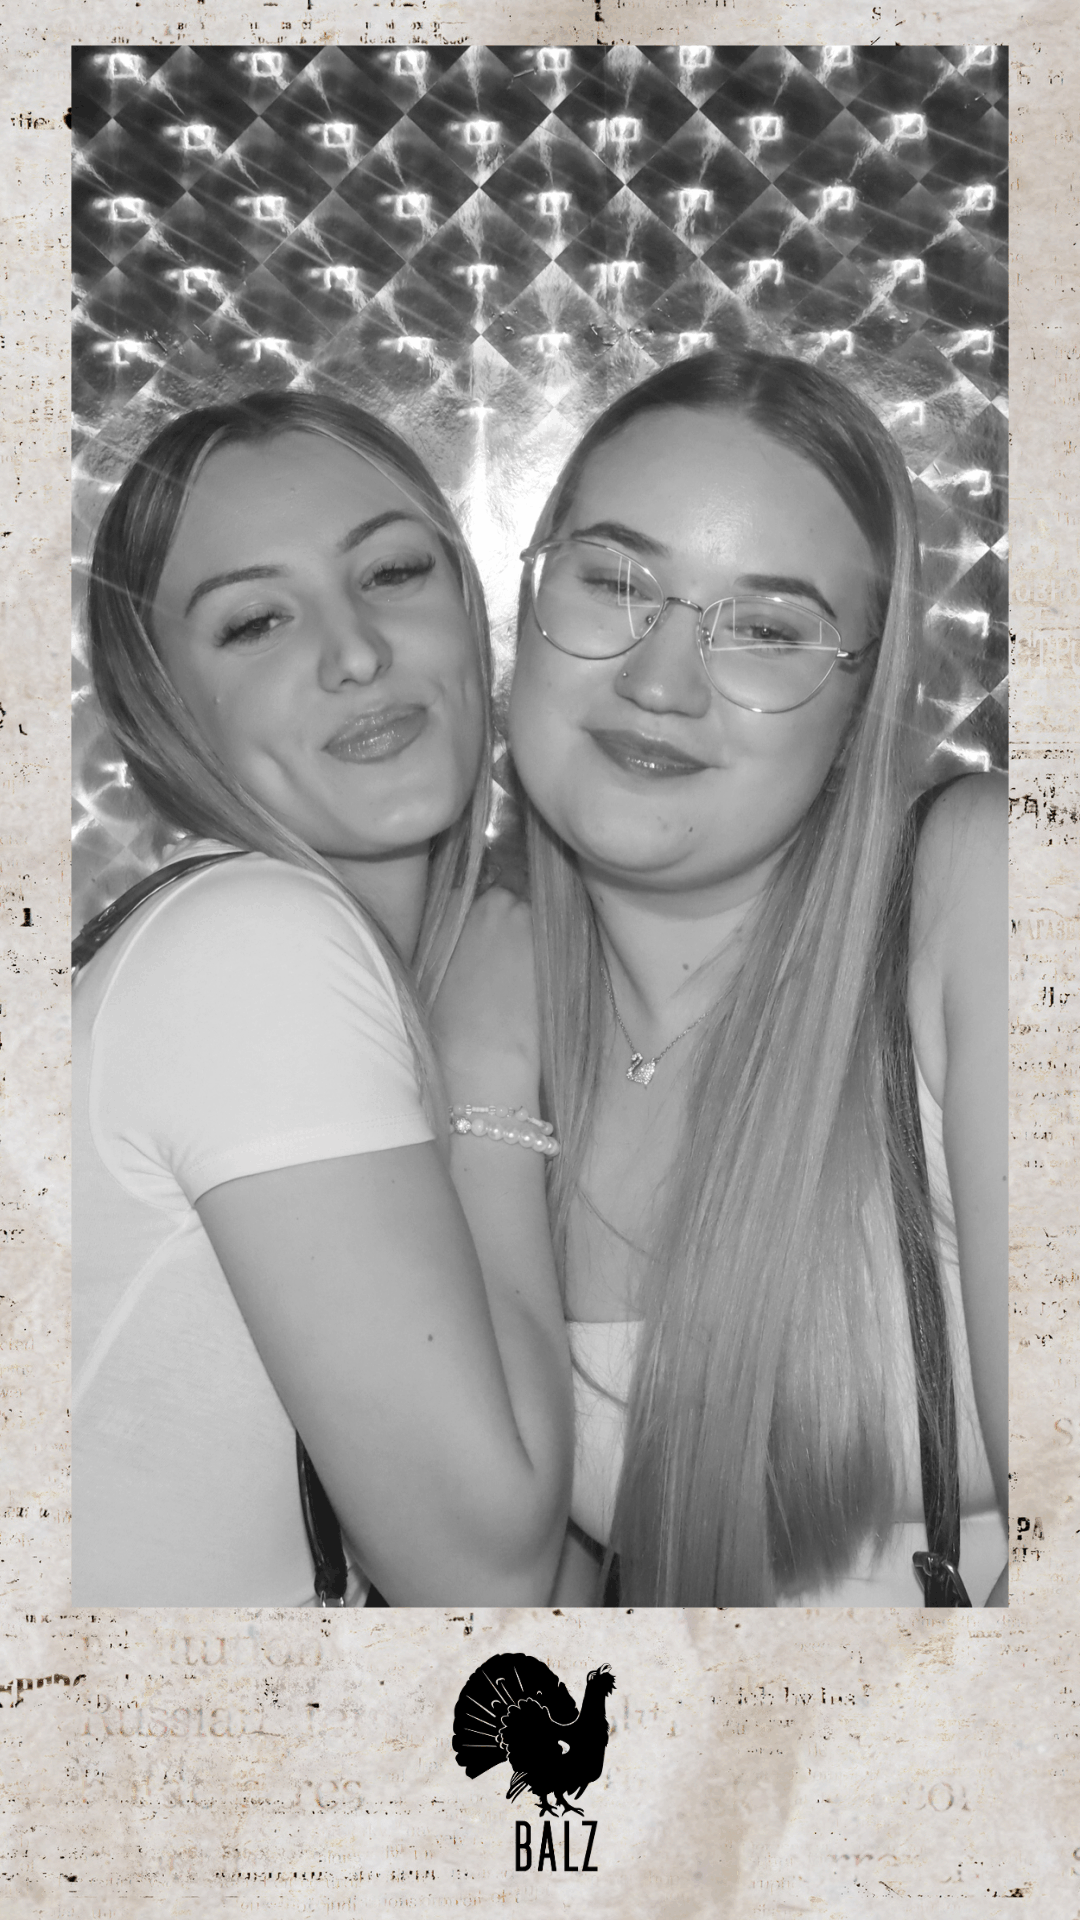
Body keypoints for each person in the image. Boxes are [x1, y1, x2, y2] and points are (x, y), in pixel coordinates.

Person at [442, 346, 1008, 1607]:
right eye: (613, 581)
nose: (659, 680)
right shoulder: (468, 1012)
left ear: (859, 711)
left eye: (766, 628)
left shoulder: (977, 892)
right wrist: (479, 1077)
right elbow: (488, 1581)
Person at [72, 392, 571, 1608]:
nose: (354, 653)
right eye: (254, 621)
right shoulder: (252, 944)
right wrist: (491, 1071)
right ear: (160, 709)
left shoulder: (279, 952)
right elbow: (484, 1570)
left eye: (392, 572)